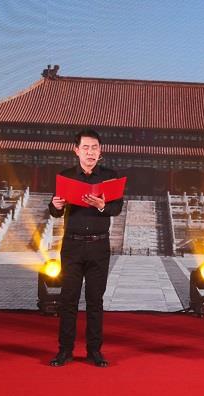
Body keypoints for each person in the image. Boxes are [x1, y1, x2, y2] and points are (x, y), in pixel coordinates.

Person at [48, 129, 123, 367]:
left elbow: (117, 208)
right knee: (68, 300)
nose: (90, 152)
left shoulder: (110, 177)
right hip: (72, 245)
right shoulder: (66, 176)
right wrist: (56, 205)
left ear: (100, 151)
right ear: (77, 150)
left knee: (95, 301)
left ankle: (94, 351)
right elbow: (54, 211)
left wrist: (102, 205)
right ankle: (65, 351)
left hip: (99, 245)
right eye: (86, 148)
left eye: (95, 148)